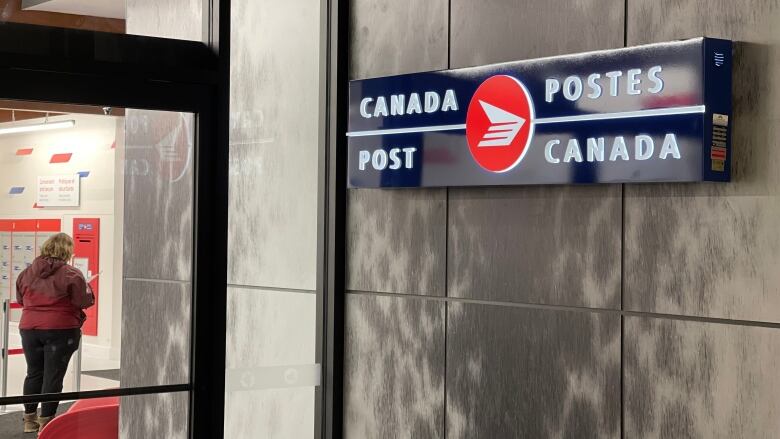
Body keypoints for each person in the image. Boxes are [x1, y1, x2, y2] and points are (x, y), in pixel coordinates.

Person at [14, 233, 94, 434]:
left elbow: (21, 299)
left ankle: (29, 420)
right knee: (53, 376)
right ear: (67, 251)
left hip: (29, 329)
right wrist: (89, 286)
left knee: (34, 373)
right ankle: (46, 423)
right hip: (60, 329)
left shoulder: (26, 273)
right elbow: (84, 301)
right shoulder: (72, 274)